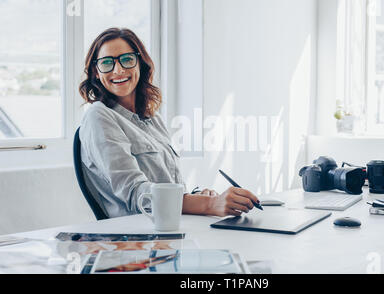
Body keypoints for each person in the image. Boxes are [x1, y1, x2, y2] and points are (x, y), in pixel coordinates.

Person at [78, 27, 259, 218]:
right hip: (138, 236)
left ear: (140, 63)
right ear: (96, 72)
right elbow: (135, 194)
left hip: (172, 226)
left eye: (127, 59)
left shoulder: (152, 117)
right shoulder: (98, 116)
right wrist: (210, 204)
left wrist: (197, 198)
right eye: (107, 63)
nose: (119, 69)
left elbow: (170, 186)